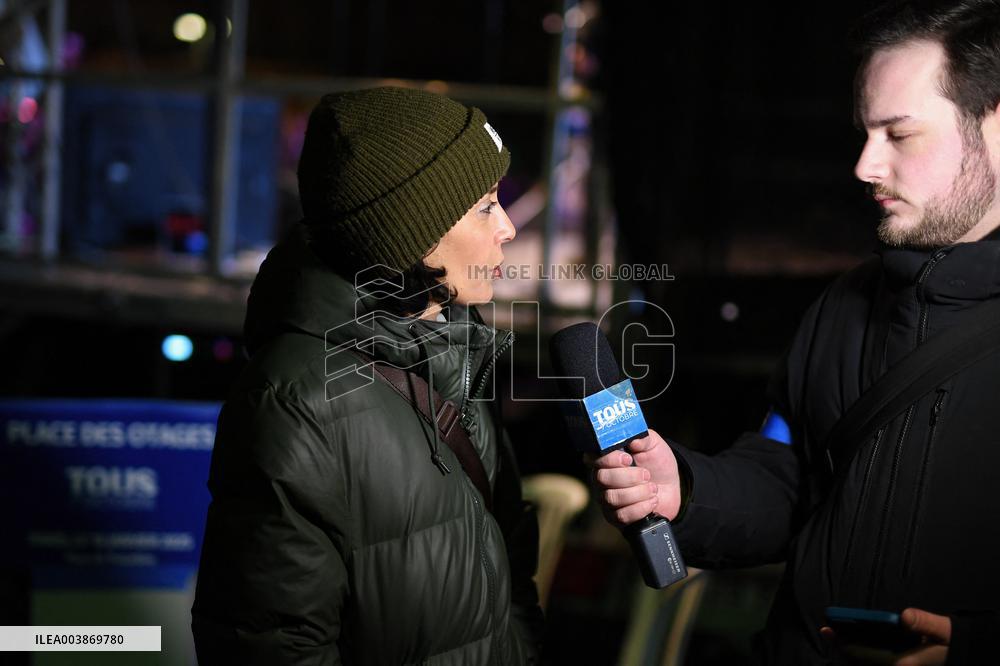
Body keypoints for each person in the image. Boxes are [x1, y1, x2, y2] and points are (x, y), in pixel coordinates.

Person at [590, 1, 1000, 663]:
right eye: (865, 133)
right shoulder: (845, 307)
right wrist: (688, 490)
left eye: (900, 134)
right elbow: (789, 474)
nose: (865, 165)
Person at [191, 87, 543, 665]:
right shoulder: (295, 404)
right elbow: (271, 646)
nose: (506, 226)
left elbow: (509, 579)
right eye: (484, 207)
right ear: (410, 231)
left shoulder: (459, 345)